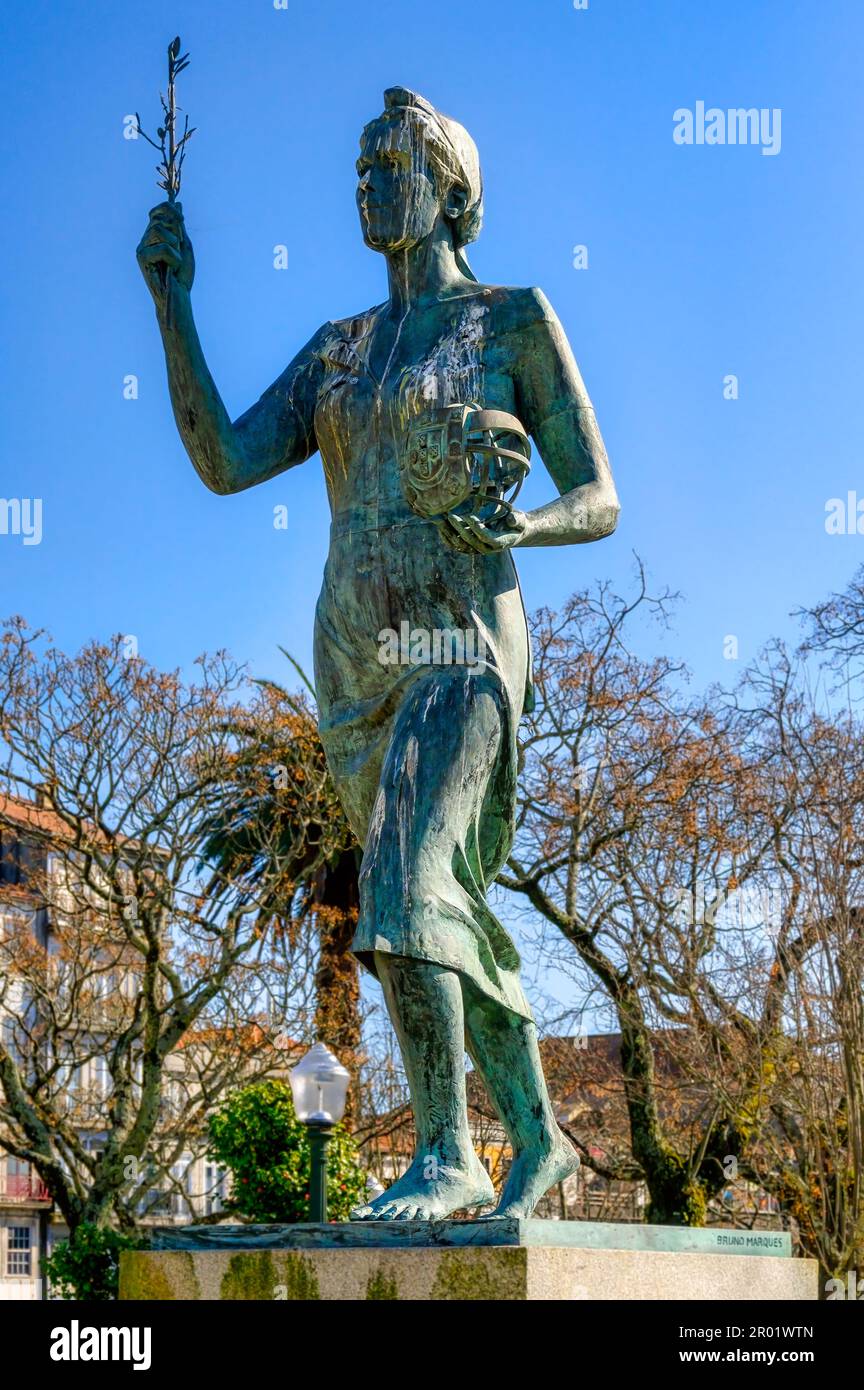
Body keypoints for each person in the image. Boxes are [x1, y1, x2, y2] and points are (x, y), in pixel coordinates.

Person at [137, 86, 619, 1221]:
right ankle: (540, 1139)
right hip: (355, 658)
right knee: (434, 898)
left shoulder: (510, 320)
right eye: (357, 168)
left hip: (462, 639)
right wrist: (173, 305)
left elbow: (596, 493)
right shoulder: (338, 350)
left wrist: (524, 525)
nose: (365, 182)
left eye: (388, 163)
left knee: (405, 876)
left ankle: (449, 1153)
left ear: (451, 189)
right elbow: (224, 459)